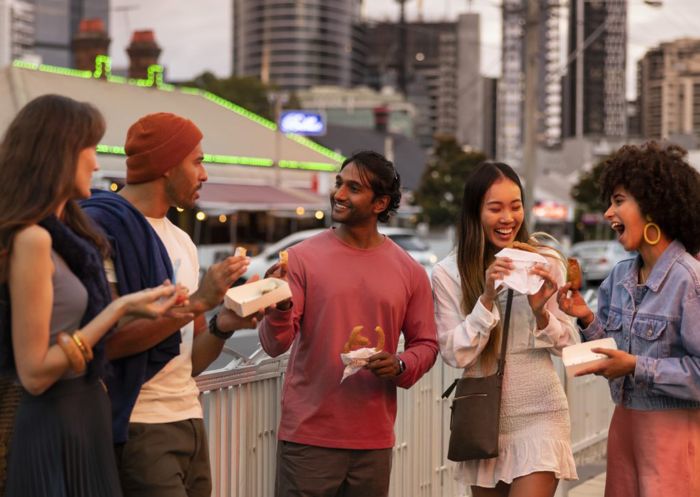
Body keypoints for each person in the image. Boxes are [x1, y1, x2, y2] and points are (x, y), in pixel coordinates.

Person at [0, 94, 184, 497]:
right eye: (91, 148)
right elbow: (33, 374)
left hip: (85, 415)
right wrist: (116, 309)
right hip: (55, 422)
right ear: (59, 153)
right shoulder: (33, 240)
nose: (97, 163)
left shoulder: (68, 237)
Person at [81, 112, 259, 497]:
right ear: (165, 165)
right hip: (138, 424)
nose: (205, 173)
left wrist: (223, 322)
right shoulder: (102, 229)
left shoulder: (183, 242)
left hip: (189, 419)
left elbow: (188, 360)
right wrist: (199, 301)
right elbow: (108, 343)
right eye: (197, 160)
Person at [259, 150, 439, 497]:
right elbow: (274, 344)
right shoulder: (299, 259)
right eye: (339, 183)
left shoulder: (410, 272)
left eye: (353, 188)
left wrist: (400, 363)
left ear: (379, 203)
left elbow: (427, 344)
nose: (339, 194)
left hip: (373, 441)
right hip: (308, 438)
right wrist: (279, 308)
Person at [557, 141, 700, 497]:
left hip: (673, 434)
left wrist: (636, 366)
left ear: (653, 206)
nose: (608, 212)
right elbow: (613, 349)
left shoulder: (690, 281)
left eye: (619, 200)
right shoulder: (618, 277)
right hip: (624, 427)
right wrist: (586, 317)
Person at [432, 161, 578, 497]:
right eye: (495, 208)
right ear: (474, 212)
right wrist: (485, 298)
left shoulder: (544, 262)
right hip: (484, 419)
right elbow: (455, 353)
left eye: (515, 206)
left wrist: (542, 313)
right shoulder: (448, 273)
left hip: (542, 413)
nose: (508, 218)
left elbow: (569, 343)